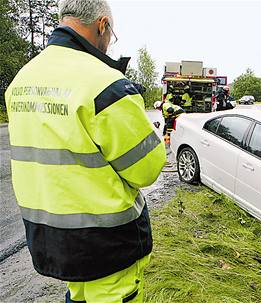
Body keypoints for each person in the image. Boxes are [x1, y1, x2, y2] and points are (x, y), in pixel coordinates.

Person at [4, 0, 166, 302]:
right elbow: (147, 169)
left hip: (51, 239)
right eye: (111, 35)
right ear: (102, 25)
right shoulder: (107, 84)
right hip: (107, 246)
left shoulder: (21, 81)